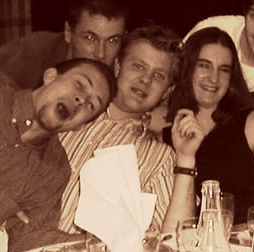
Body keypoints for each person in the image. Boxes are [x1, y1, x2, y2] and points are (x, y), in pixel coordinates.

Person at [58, 25, 195, 234]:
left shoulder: (160, 159)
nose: (145, 80)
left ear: (168, 91)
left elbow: (178, 237)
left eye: (159, 76)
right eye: (138, 66)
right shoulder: (67, 113)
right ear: (117, 67)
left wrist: (186, 159)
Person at [0, 58, 115, 252]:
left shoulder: (53, 170)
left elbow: (26, 238)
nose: (81, 100)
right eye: (79, 84)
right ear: (50, 76)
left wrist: (92, 245)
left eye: (91, 105)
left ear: (80, 126)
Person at [163, 27, 254, 224]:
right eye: (204, 66)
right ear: (187, 69)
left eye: (224, 69)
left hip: (252, 238)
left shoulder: (253, 123)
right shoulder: (165, 132)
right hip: (190, 240)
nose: (214, 78)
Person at [0, 0, 127, 89]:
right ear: (68, 32)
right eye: (90, 38)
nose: (101, 54)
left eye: (112, 41)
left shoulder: (122, 72)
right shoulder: (28, 54)